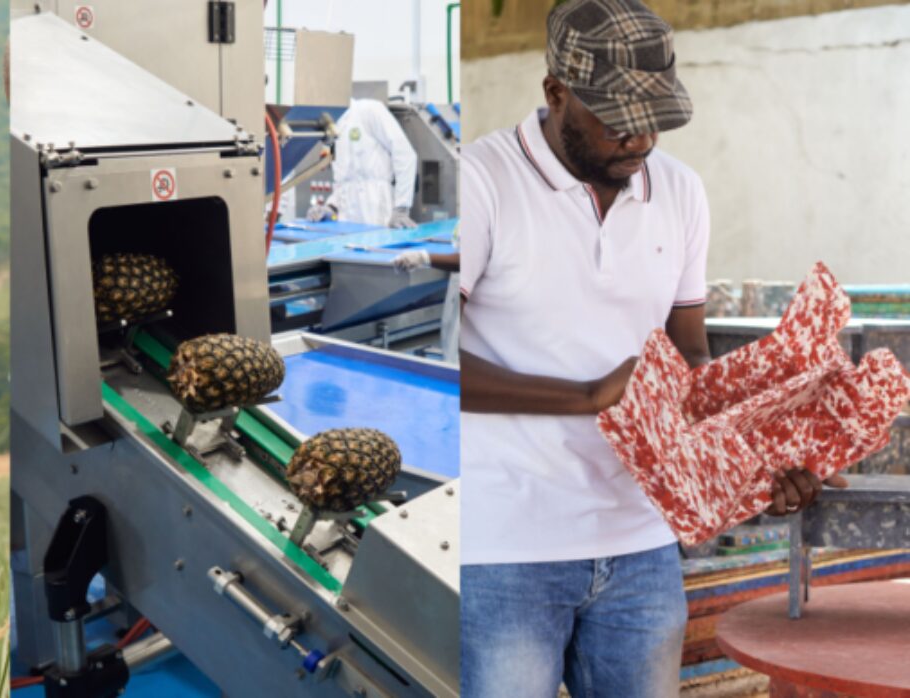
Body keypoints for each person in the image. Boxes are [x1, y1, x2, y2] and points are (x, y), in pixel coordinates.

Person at [455, 1, 839, 695]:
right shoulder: (481, 182)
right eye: (615, 118)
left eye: (653, 117)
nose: (639, 139)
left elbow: (686, 354)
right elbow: (431, 361)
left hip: (642, 541)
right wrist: (588, 396)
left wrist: (757, 452)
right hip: (505, 543)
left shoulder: (681, 192)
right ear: (555, 93)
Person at [305, 98, 418, 228]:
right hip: (346, 219)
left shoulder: (369, 111)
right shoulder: (332, 129)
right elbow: (343, 181)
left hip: (376, 209)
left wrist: (401, 208)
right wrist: (331, 207)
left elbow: (405, 154)